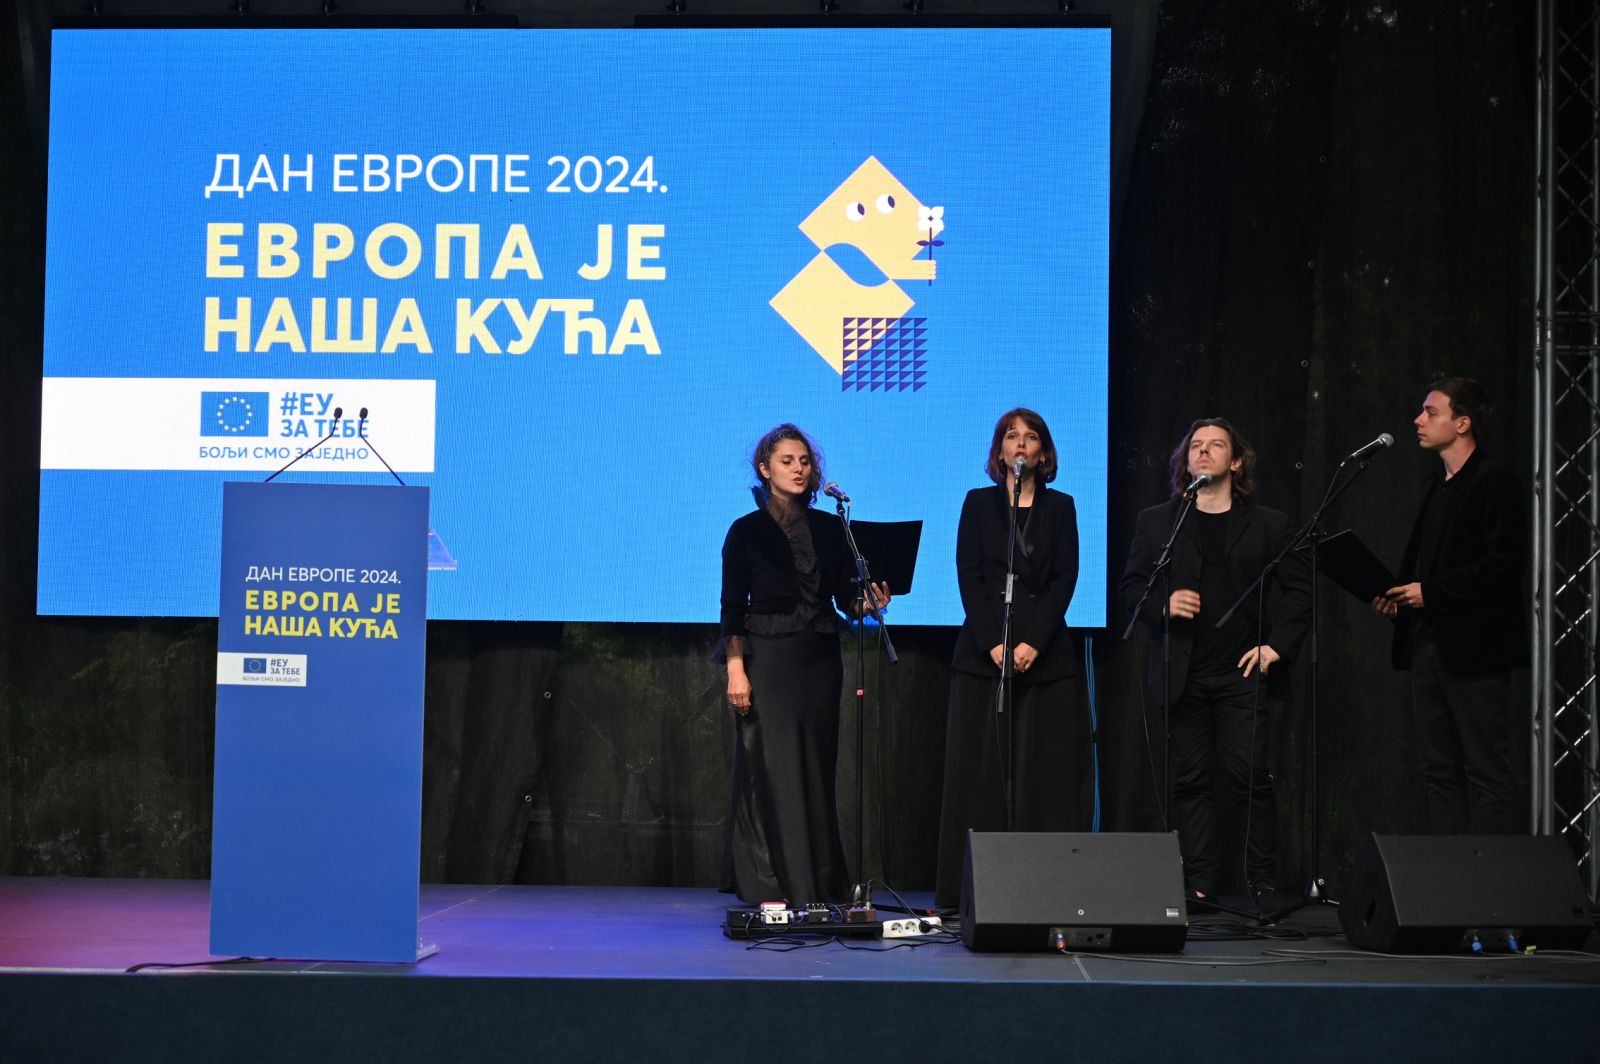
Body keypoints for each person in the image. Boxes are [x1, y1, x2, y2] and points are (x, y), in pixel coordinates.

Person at [1118, 418, 1311, 908]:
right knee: (1190, 782)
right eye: (1196, 446)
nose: (1203, 452)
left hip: (1242, 672)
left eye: (1216, 445)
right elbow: (1132, 588)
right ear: (1185, 462)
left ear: (1236, 461)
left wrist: (1276, 647)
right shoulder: (1158, 521)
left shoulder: (1269, 523)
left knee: (1250, 777)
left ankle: (1261, 881)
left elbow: (1300, 591)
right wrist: (1164, 605)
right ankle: (1199, 883)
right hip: (1182, 673)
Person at [715, 424, 890, 906]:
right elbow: (731, 606)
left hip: (819, 656)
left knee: (815, 766)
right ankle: (778, 882)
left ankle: (818, 880)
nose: (798, 469)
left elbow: (845, 599)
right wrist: (735, 668)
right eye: (787, 461)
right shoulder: (745, 531)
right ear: (764, 468)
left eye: (804, 461)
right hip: (769, 657)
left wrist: (869, 602)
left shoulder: (832, 529)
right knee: (778, 767)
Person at [934, 408, 1088, 909]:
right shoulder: (978, 503)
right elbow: (969, 575)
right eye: (1011, 436)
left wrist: (1032, 643)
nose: (1021, 443)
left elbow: (1064, 579)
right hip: (985, 656)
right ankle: (974, 891)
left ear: (1043, 452)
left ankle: (1046, 889)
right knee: (980, 775)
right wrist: (993, 643)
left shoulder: (1061, 507)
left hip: (1046, 657)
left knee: (1045, 775)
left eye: (1031, 437)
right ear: (999, 451)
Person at [1373, 378, 1525, 834]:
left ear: (1463, 423)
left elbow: (1504, 565)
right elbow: (1427, 561)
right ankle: (1451, 873)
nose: (1418, 420)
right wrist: (1400, 597)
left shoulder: (1494, 481)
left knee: (1487, 771)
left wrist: (1432, 592)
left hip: (1474, 648)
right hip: (1426, 643)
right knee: (1438, 771)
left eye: (1431, 412)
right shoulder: (1433, 485)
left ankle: (1494, 876)